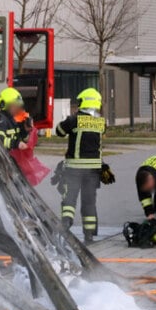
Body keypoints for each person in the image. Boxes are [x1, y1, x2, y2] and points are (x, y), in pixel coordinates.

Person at [55, 87, 106, 244]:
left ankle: (66, 223)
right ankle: (89, 235)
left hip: (74, 168)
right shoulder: (101, 123)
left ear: (83, 103)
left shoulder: (73, 120)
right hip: (93, 171)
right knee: (89, 202)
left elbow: (59, 131)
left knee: (69, 198)